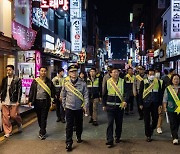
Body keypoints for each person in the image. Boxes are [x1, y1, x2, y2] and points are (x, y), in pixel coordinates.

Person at [60, 65, 89, 152]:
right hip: (69, 108)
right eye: (72, 71)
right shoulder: (66, 83)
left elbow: (86, 96)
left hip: (79, 108)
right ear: (69, 73)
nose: (74, 73)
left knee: (79, 124)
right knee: (69, 125)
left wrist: (85, 106)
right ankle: (69, 142)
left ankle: (79, 135)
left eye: (75, 71)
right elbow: (63, 95)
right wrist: (64, 105)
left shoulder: (83, 83)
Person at [28, 67, 55, 140]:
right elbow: (32, 91)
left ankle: (42, 132)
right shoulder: (35, 81)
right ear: (39, 72)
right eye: (42, 71)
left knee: (44, 117)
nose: (43, 72)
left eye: (45, 71)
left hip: (45, 102)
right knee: (39, 117)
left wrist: (53, 101)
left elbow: (53, 91)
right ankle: (42, 128)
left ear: (46, 72)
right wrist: (30, 100)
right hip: (37, 101)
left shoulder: (49, 82)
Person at [102, 67, 127, 148]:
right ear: (110, 74)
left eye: (117, 72)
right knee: (110, 123)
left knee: (119, 123)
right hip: (110, 106)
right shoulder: (108, 82)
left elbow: (127, 92)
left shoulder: (123, 81)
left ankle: (117, 136)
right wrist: (103, 104)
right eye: (114, 72)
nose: (116, 73)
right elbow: (104, 94)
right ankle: (110, 140)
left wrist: (125, 101)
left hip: (120, 106)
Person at [139, 69, 162, 142]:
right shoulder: (143, 81)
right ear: (148, 75)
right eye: (150, 74)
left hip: (155, 103)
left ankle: (152, 128)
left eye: (153, 74)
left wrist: (160, 103)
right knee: (147, 120)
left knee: (155, 118)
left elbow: (160, 93)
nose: (151, 75)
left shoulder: (158, 82)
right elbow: (140, 93)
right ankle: (148, 135)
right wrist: (140, 103)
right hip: (146, 103)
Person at [0, 65, 22, 138]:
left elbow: (19, 91)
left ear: (13, 70)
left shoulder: (17, 79)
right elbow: (2, 89)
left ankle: (19, 123)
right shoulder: (4, 79)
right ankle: (8, 132)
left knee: (14, 115)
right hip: (5, 101)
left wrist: (18, 101)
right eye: (7, 70)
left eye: (10, 70)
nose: (8, 71)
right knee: (5, 117)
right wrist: (1, 99)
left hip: (14, 101)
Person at [163, 74, 180, 145]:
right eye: (174, 79)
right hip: (170, 108)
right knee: (172, 122)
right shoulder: (168, 88)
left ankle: (174, 133)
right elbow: (165, 99)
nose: (176, 80)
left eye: (177, 79)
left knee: (177, 123)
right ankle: (175, 138)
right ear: (172, 80)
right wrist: (164, 107)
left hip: (179, 109)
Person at [155, 69, 165, 134]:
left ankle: (159, 127)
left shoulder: (162, 82)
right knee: (154, 114)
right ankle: (154, 125)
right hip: (152, 100)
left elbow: (163, 91)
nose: (157, 74)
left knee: (160, 114)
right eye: (156, 73)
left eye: (158, 73)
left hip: (160, 100)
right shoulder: (149, 81)